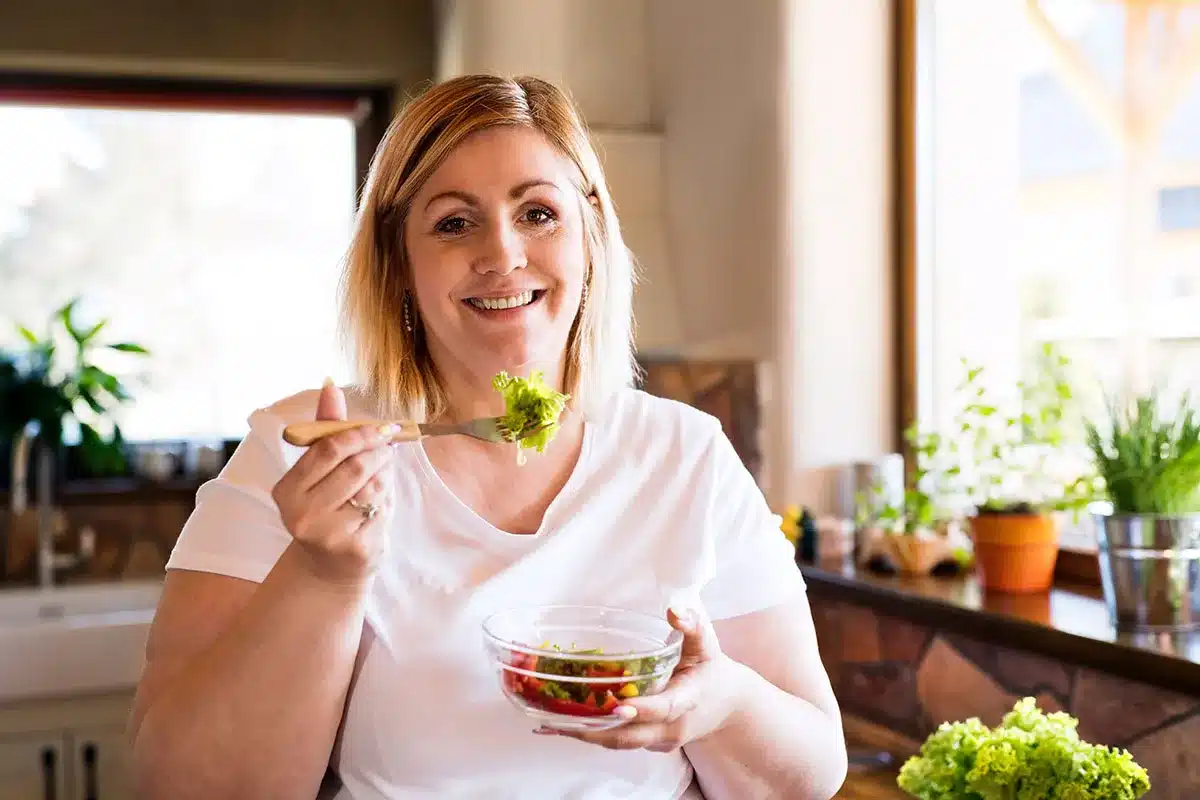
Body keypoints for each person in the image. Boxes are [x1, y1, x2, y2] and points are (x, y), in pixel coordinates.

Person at [127, 74, 847, 800]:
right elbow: (179, 786)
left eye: (538, 213)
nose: (502, 255)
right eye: (452, 222)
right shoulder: (300, 456)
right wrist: (322, 576)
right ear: (399, 264)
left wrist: (721, 702)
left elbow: (811, 775)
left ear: (590, 239)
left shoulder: (686, 455)